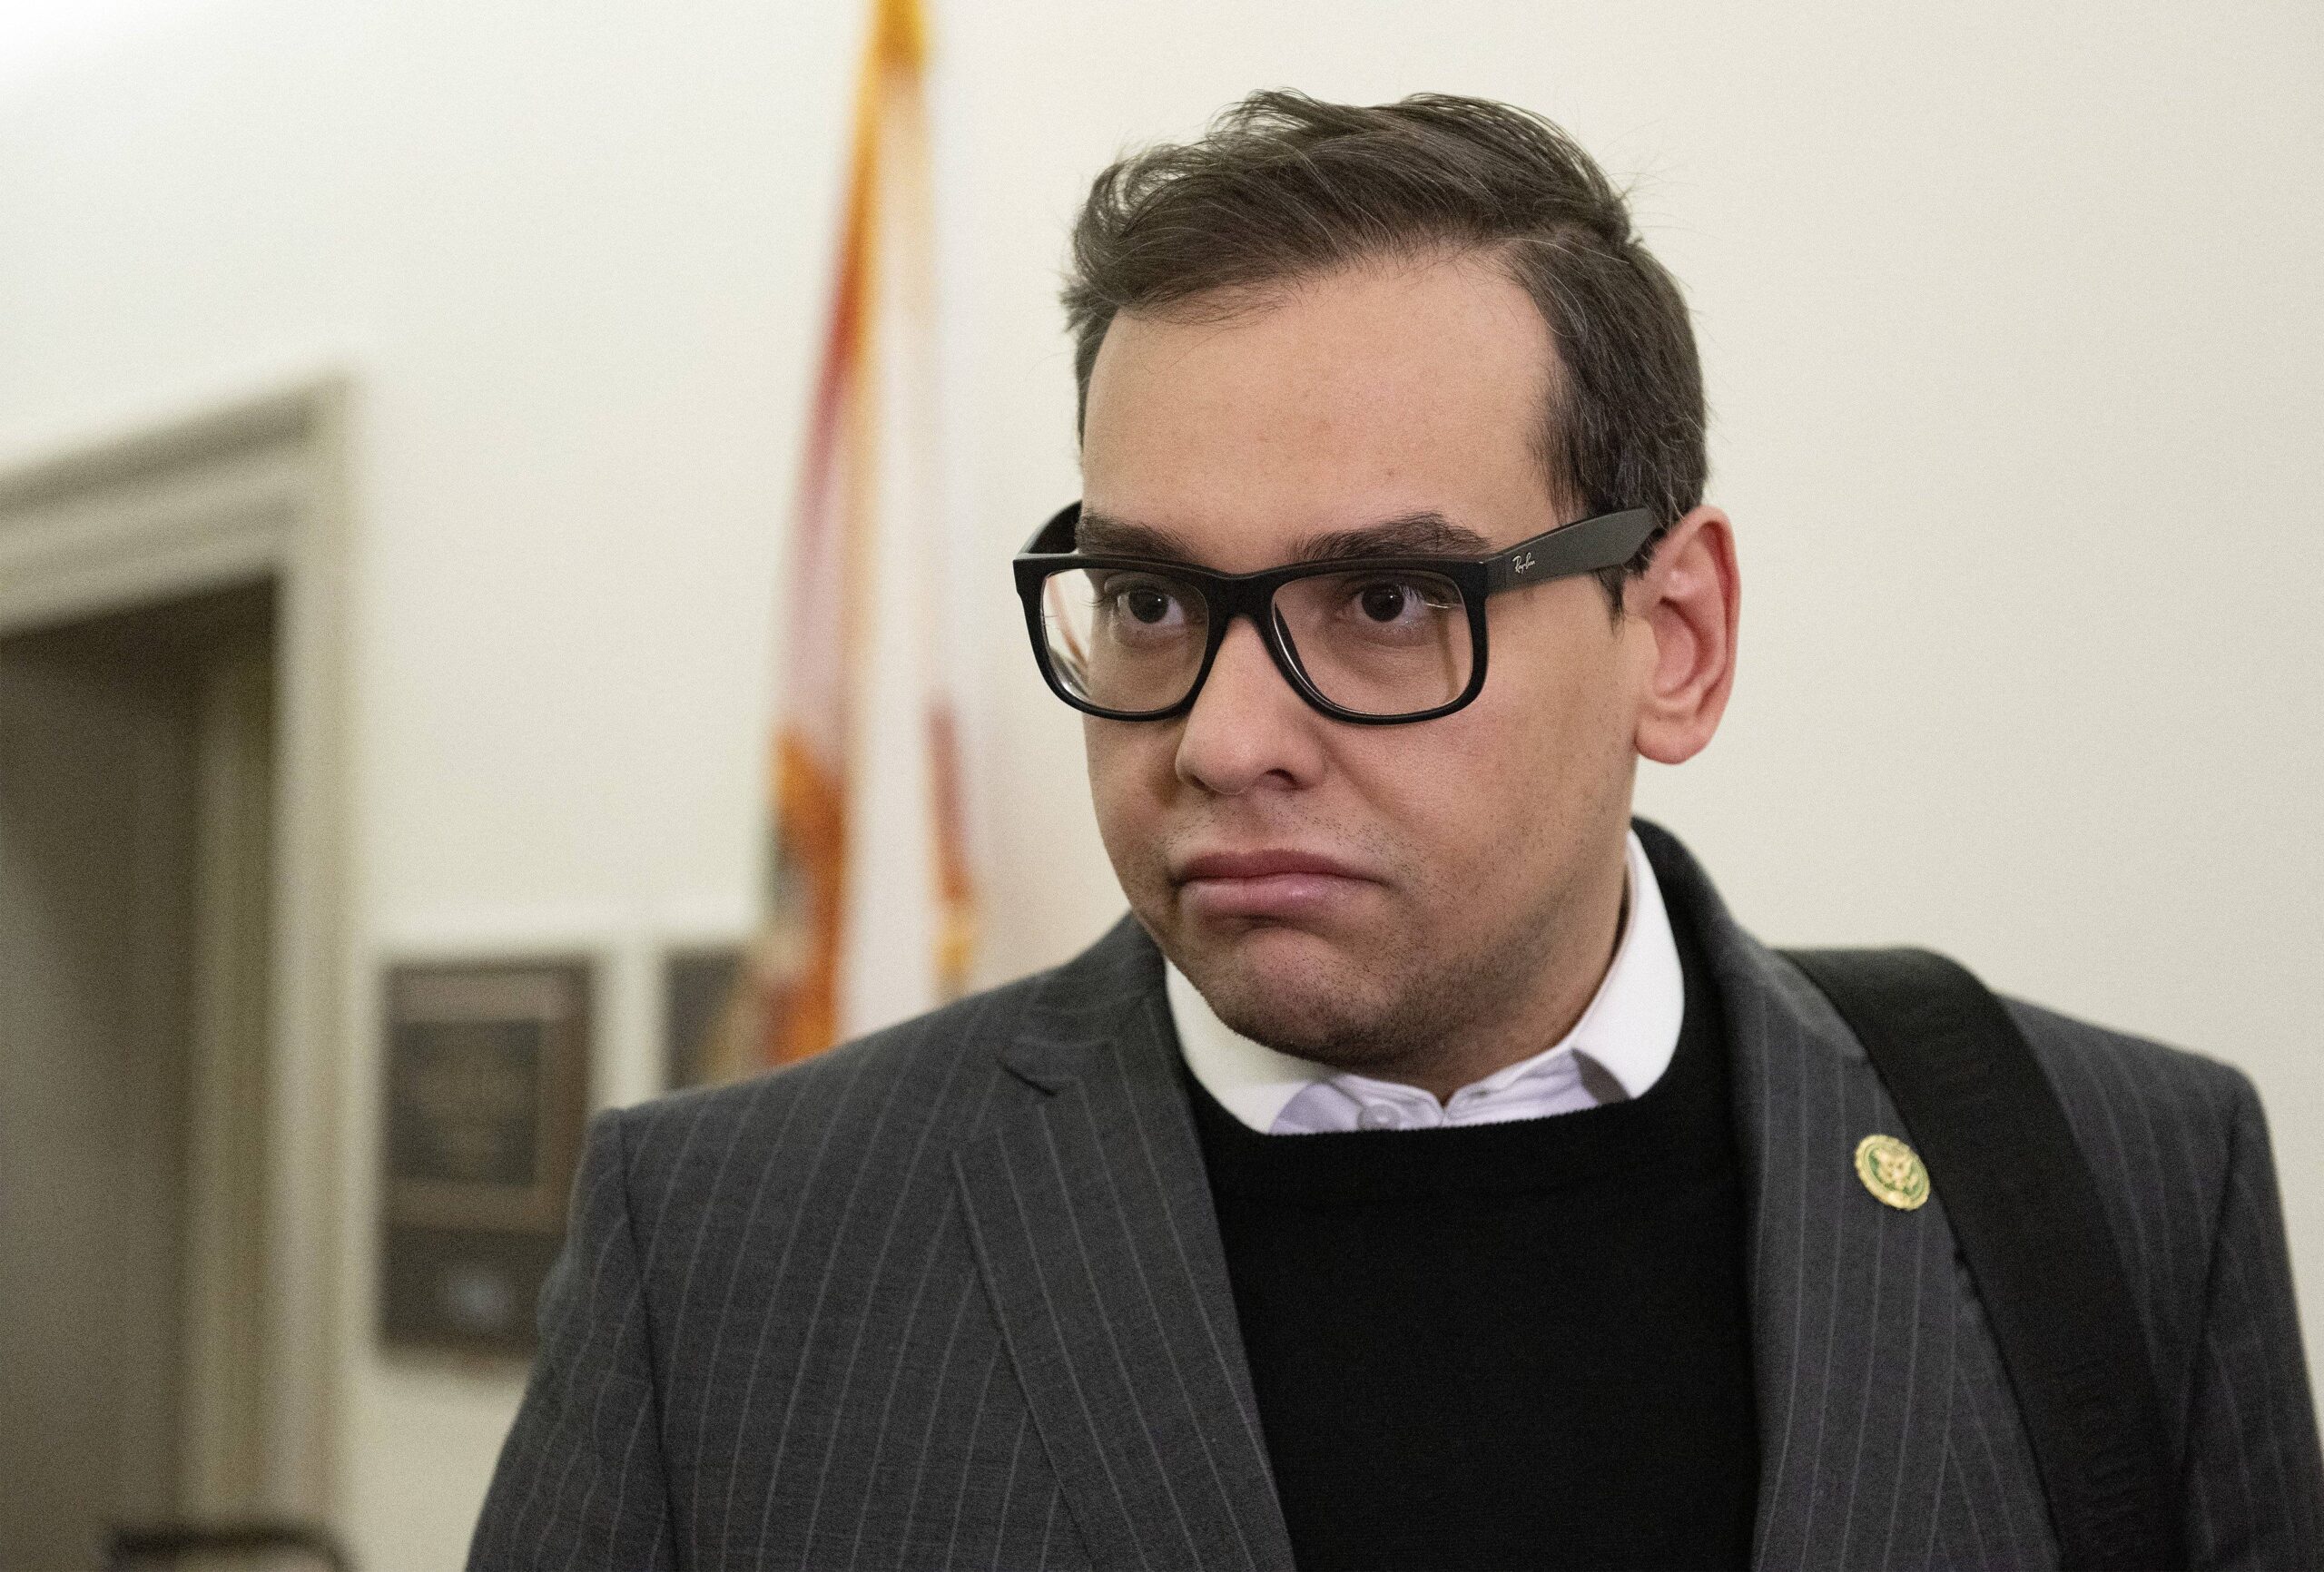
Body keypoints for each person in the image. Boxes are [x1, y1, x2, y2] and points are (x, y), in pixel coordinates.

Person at [468, 92, 2321, 1571]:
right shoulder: (724, 1251)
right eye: (1149, 601)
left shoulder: (2124, 1183)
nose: (1222, 740)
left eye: (1383, 603)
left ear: (1674, 639)